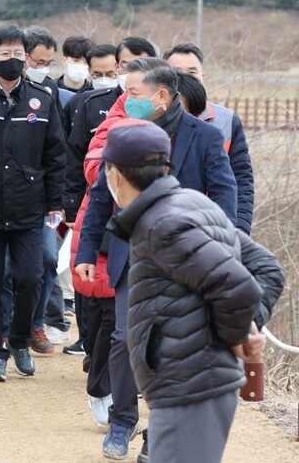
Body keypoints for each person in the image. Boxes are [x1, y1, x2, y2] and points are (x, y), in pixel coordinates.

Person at [75, 58, 237, 460]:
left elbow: (224, 194)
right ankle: (121, 422)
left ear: (161, 96)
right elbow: (100, 197)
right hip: (132, 255)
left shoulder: (204, 137)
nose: (125, 100)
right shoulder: (124, 135)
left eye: (133, 93)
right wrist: (86, 251)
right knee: (125, 338)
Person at [99, 119, 283, 463]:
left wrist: (236, 337)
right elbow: (266, 268)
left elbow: (237, 286)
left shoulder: (162, 225)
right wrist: (248, 325)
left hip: (189, 386)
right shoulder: (192, 204)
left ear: (116, 175)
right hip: (192, 383)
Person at [0, 25, 66, 381]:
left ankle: (20, 340)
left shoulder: (43, 99)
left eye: (18, 54)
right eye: (5, 54)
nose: (13, 60)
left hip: (29, 207)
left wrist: (56, 202)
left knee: (30, 278)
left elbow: (55, 155)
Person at [65, 38, 157, 361]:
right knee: (105, 313)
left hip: (155, 235)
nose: (133, 71)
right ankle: (99, 365)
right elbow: (83, 162)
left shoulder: (180, 120)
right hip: (107, 224)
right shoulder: (102, 109)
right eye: (127, 65)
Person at [164, 43, 254, 233]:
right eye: (176, 72)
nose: (185, 78)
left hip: (212, 228)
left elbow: (241, 180)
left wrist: (239, 231)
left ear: (202, 77)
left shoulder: (226, 120)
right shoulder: (153, 119)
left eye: (192, 71)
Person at [57, 35, 95, 106]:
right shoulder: (52, 89)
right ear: (64, 61)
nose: (80, 65)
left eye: (85, 62)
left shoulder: (94, 93)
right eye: (76, 60)